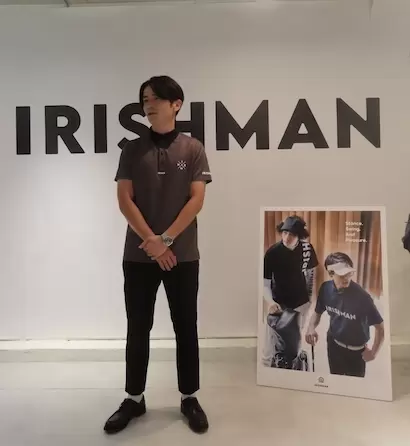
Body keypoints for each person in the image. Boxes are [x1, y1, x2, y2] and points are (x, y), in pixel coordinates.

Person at [104, 76, 212, 435]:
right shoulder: (132, 150)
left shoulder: (193, 148)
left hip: (183, 255)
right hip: (139, 256)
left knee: (186, 326)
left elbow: (196, 200)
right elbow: (124, 200)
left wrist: (165, 240)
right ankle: (134, 398)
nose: (148, 105)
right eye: (144, 99)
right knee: (138, 327)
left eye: (155, 99)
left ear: (175, 104)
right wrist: (152, 241)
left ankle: (189, 397)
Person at [305, 252, 385, 378]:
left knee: (354, 385)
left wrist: (374, 353)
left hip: (356, 351)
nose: (346, 278)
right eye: (342, 275)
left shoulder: (363, 298)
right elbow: (317, 313)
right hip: (334, 344)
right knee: (335, 380)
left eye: (349, 273)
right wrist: (311, 328)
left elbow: (380, 328)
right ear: (331, 274)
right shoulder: (325, 288)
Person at [262, 215, 319, 370]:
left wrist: (309, 302)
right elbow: (265, 283)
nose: (287, 237)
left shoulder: (307, 249)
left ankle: (295, 367)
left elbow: (311, 276)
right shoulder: (272, 252)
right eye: (285, 232)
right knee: (273, 343)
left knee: (295, 342)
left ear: (299, 236)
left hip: (300, 303)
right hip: (279, 303)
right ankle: (270, 368)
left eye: (292, 234)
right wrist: (270, 302)